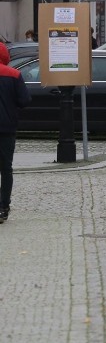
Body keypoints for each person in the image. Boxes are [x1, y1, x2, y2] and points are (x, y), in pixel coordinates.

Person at [0, 43, 31, 223]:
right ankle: (4, 206)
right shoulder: (14, 74)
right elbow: (25, 100)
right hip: (7, 128)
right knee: (6, 168)